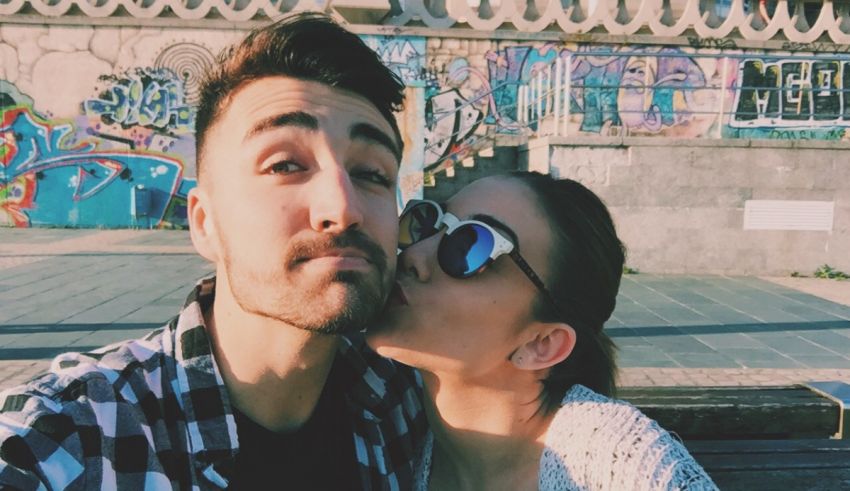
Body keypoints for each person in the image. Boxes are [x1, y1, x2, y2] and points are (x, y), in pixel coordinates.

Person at [0, 13, 426, 490]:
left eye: (372, 173)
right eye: (285, 164)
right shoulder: (72, 437)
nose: (343, 207)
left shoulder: (410, 403)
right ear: (204, 222)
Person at [367, 172, 718, 490]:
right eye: (427, 222)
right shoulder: (386, 417)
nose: (414, 253)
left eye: (470, 246)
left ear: (542, 344)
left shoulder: (621, 464)